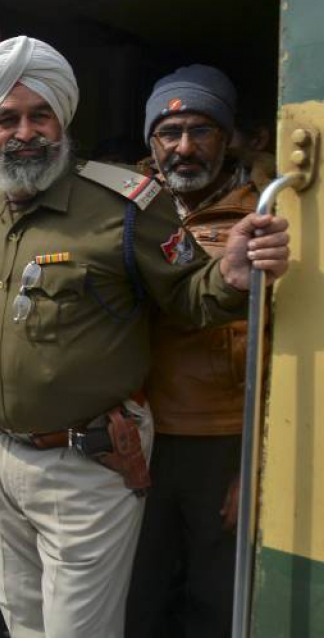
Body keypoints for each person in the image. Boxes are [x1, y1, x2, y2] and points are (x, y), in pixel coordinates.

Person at [0, 36, 290, 638]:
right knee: (22, 620)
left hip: (87, 460)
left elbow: (189, 297)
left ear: (62, 122)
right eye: (6, 119)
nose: (26, 133)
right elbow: (17, 303)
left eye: (41, 115)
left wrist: (229, 276)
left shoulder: (126, 207)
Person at [126, 66, 260, 638]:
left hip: (221, 442)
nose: (183, 147)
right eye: (169, 131)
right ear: (151, 142)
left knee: (214, 600)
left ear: (227, 138)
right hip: (135, 433)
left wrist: (255, 463)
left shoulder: (263, 215)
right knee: (136, 593)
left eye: (201, 130)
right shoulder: (124, 207)